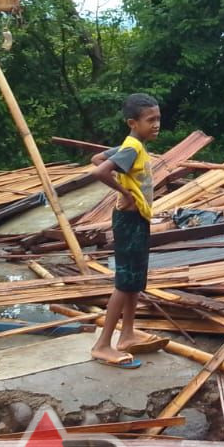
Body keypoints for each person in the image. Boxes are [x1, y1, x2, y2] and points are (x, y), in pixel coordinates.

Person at [89, 93, 163, 368]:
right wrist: (124, 191)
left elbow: (97, 157)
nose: (156, 124)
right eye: (150, 120)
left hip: (137, 220)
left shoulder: (132, 145)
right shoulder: (132, 148)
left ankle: (128, 334)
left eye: (158, 119)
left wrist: (126, 183)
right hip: (129, 221)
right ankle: (102, 345)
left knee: (134, 282)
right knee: (123, 283)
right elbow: (98, 171)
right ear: (133, 122)